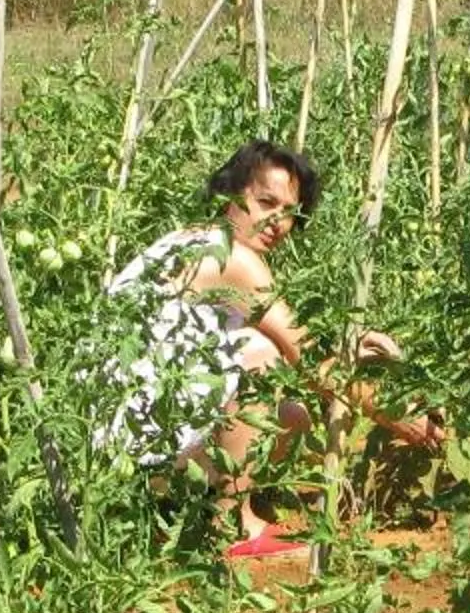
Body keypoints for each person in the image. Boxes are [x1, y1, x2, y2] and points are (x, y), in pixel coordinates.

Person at [91, 139, 436, 557]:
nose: (277, 221)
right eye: (266, 202)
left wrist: (351, 348)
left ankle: (182, 506)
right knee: (263, 359)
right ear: (230, 195)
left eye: (289, 211)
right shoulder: (236, 261)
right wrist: (399, 416)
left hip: (109, 448)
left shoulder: (192, 239)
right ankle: (233, 526)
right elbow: (312, 365)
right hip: (133, 449)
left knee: (292, 418)